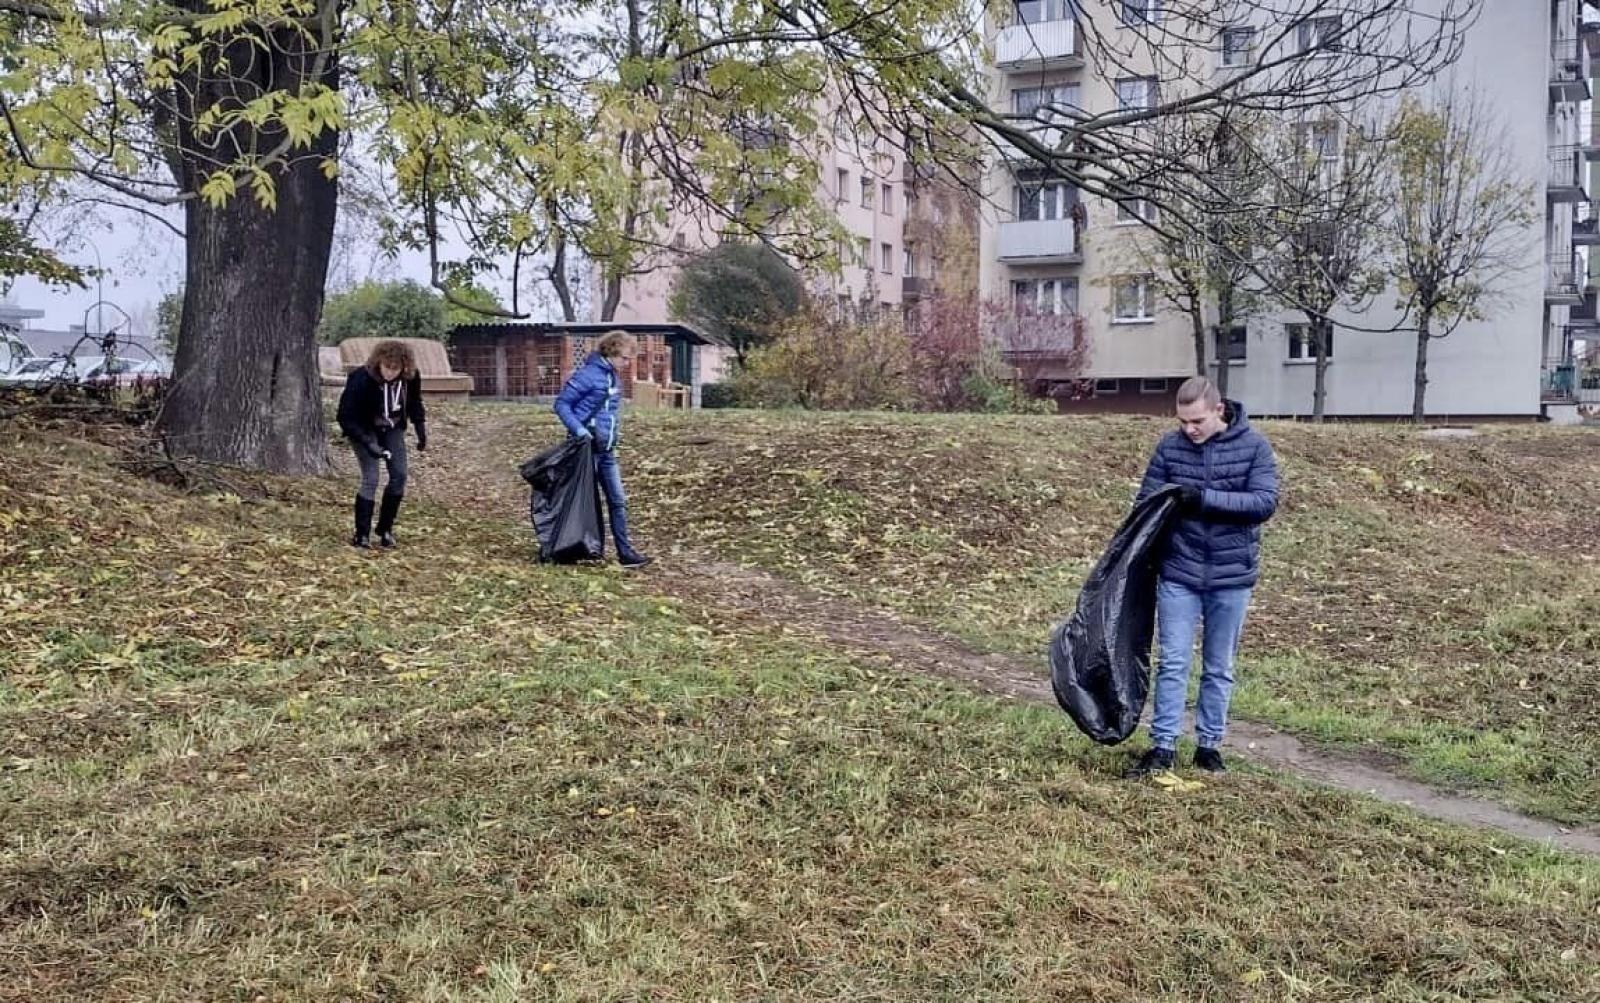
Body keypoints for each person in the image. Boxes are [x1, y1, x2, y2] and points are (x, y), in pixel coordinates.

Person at [1125, 376, 1278, 778]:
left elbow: (1264, 502)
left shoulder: (1254, 447)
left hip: (1232, 577)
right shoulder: (1170, 448)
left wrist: (1203, 499)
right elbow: (1146, 501)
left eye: (1197, 421)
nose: (1189, 429)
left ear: (1218, 411)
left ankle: (1209, 747)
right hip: (1180, 571)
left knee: (1218, 666)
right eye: (1183, 422)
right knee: (1173, 661)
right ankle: (1162, 747)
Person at [554, 330, 651, 569]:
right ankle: (574, 547)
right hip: (586, 449)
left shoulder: (613, 378)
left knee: (618, 501)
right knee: (582, 501)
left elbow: (609, 414)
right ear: (612, 352)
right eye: (625, 358)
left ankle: (625, 553)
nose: (628, 364)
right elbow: (562, 404)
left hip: (606, 451)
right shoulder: (588, 375)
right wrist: (579, 430)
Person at [337, 339, 427, 549]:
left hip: (392, 427)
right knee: (371, 477)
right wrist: (368, 442)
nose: (390, 373)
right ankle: (362, 535)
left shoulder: (410, 378)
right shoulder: (361, 378)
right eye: (387, 367)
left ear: (405, 367)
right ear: (378, 362)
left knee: (400, 475)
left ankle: (385, 529)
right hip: (363, 428)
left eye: (396, 369)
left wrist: (420, 428)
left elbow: (414, 402)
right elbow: (345, 416)